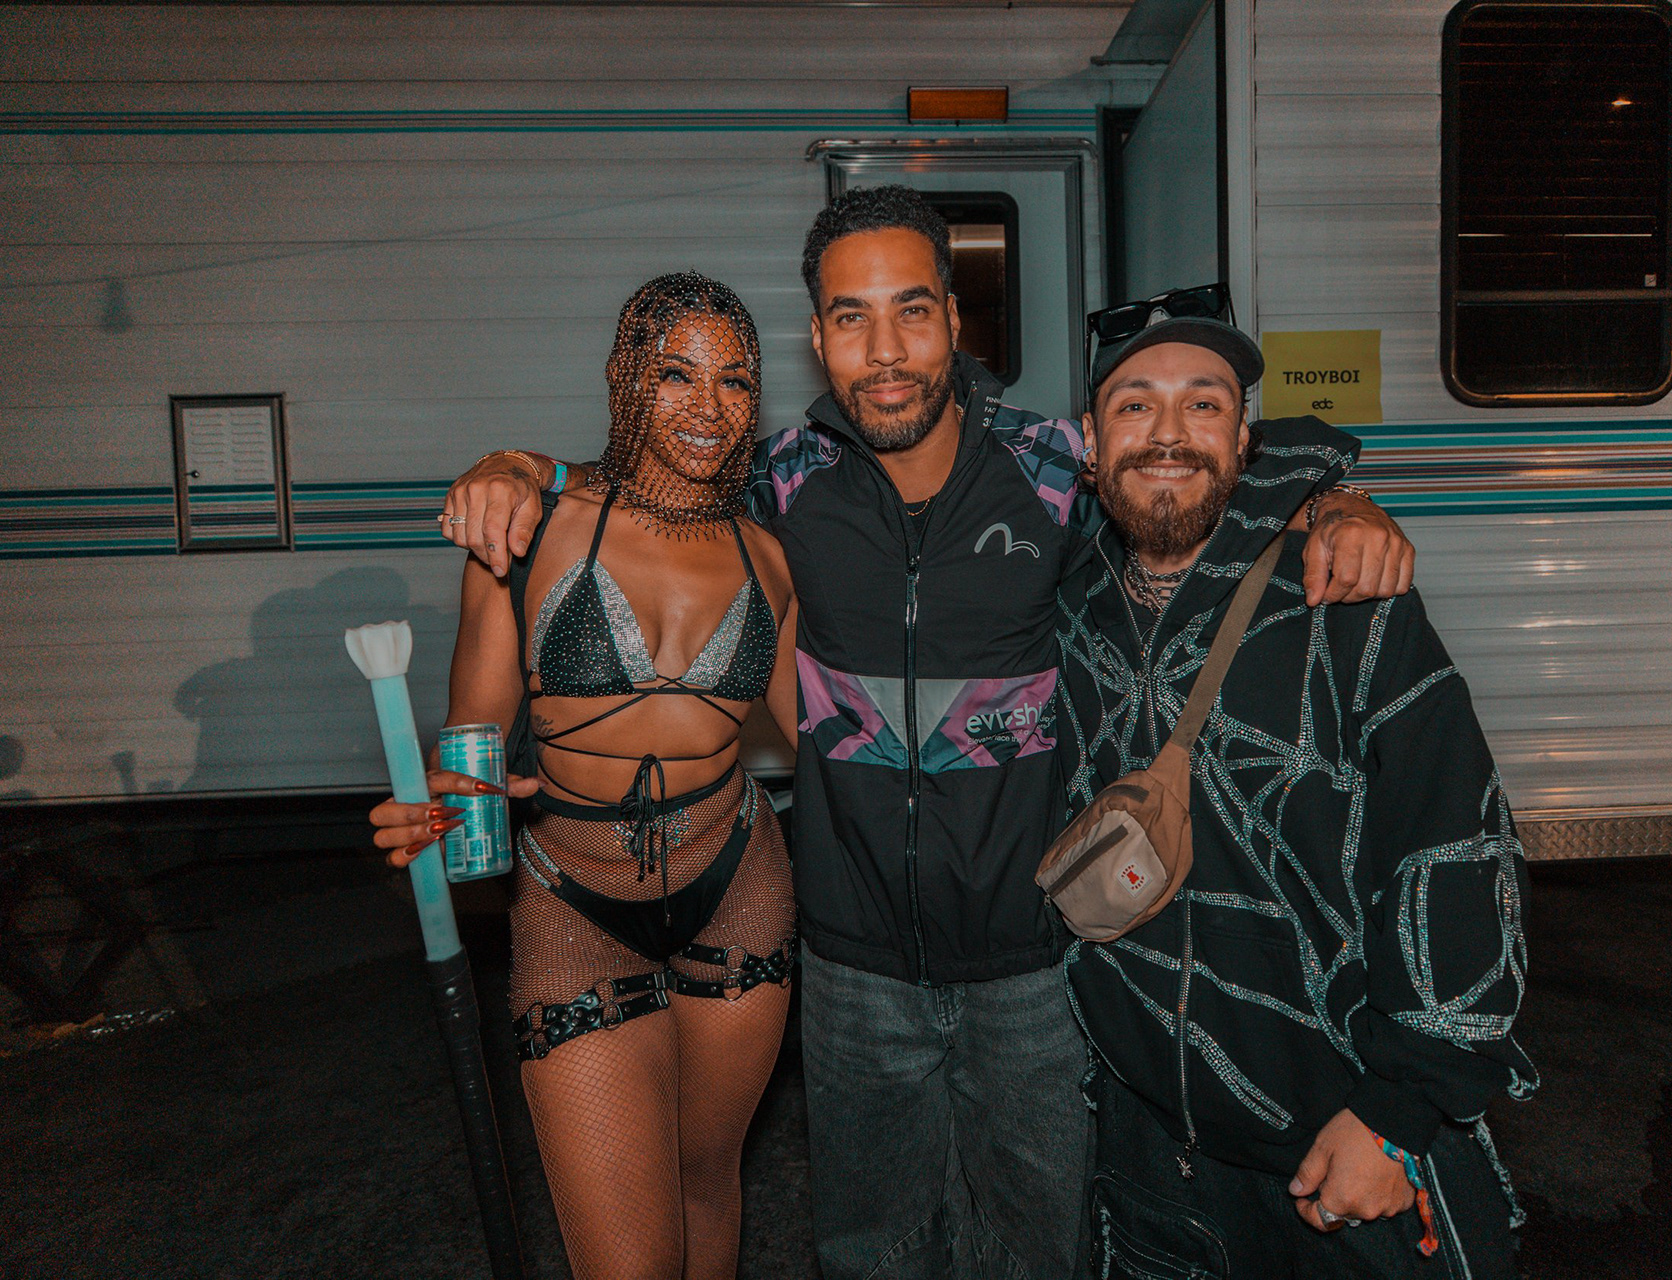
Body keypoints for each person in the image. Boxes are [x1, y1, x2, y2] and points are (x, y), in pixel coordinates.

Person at [436, 188, 1417, 1279]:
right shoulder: (782, 482)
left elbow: (1190, 468)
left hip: (1034, 965)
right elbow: (654, 476)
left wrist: (1334, 499)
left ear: (956, 318)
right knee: (873, 1253)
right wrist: (527, 469)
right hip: (851, 966)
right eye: (851, 318)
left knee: (1031, 1248)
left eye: (912, 309)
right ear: (818, 340)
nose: (885, 348)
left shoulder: (1056, 470)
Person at [1055, 305, 1536, 1277]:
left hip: (1335, 1142)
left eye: (1204, 405)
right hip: (1148, 1152)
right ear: (1090, 444)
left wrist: (1401, 1115)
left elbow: (1457, 849)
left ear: (1243, 440)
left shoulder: (1343, 604)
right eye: (1133, 405)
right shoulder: (1065, 599)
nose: (1167, 433)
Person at [369, 273, 801, 1280]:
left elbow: (839, 742)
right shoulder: (527, 537)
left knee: (707, 1179)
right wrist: (427, 814)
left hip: (737, 884)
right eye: (677, 374)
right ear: (626, 380)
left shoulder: (771, 560)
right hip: (570, 900)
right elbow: (465, 752)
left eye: (735, 379)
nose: (708, 405)